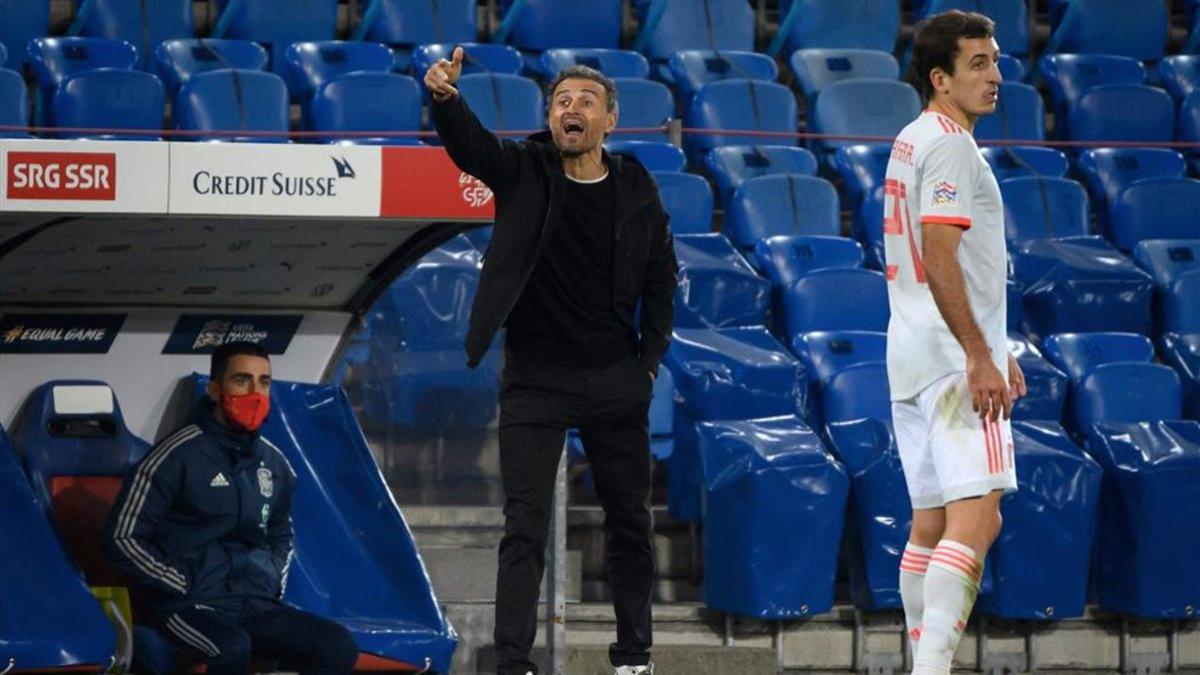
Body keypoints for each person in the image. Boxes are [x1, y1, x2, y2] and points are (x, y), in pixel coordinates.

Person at [424, 49, 676, 675]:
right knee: (524, 527)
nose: (571, 109)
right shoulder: (525, 169)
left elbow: (661, 276)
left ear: (609, 121)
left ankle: (634, 658)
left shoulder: (635, 183)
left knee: (629, 525)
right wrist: (448, 102)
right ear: (549, 117)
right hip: (535, 380)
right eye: (562, 101)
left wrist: (647, 363)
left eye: (585, 101)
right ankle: (513, 661)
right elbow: (474, 150)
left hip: (615, 377)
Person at [883, 11, 1027, 675]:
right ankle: (932, 668)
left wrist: (1000, 348)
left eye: (995, 61)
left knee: (932, 525)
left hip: (911, 354)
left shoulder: (912, 137)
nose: (995, 75)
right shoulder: (950, 147)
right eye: (978, 64)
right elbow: (940, 251)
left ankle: (923, 660)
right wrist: (978, 354)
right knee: (977, 520)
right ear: (940, 78)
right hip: (949, 359)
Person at [104, 342, 358, 675]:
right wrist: (180, 581)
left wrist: (270, 581)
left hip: (254, 601)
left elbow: (282, 533)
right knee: (231, 646)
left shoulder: (274, 462)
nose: (255, 392)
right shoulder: (175, 455)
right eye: (242, 381)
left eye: (264, 382)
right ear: (214, 389)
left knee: (336, 645)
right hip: (186, 604)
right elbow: (122, 537)